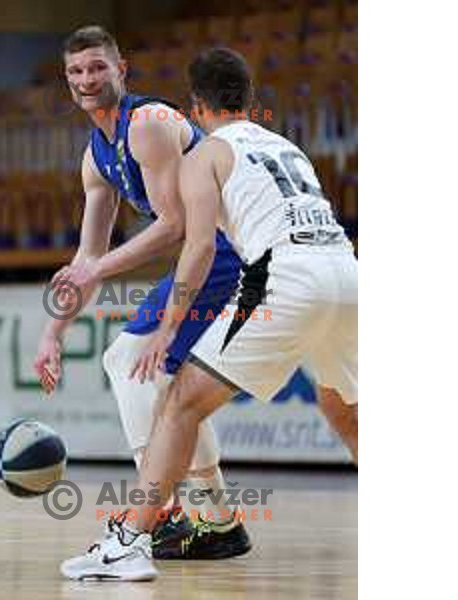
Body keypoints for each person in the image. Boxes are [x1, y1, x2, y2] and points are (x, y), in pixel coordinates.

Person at [61, 46, 358, 581]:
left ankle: (129, 542)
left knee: (179, 403)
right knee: (348, 414)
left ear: (196, 108)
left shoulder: (206, 154)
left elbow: (196, 248)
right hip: (348, 272)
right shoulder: (288, 146)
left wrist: (168, 328)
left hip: (285, 278)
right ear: (251, 98)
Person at [33, 27, 250, 561]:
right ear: (67, 80)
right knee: (148, 373)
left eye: (97, 68)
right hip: (206, 255)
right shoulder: (95, 157)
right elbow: (87, 260)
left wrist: (95, 269)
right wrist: (52, 333)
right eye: (76, 72)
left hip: (230, 250)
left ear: (122, 70)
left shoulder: (148, 125)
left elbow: (175, 224)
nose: (87, 79)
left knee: (132, 358)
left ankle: (170, 514)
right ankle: (216, 521)